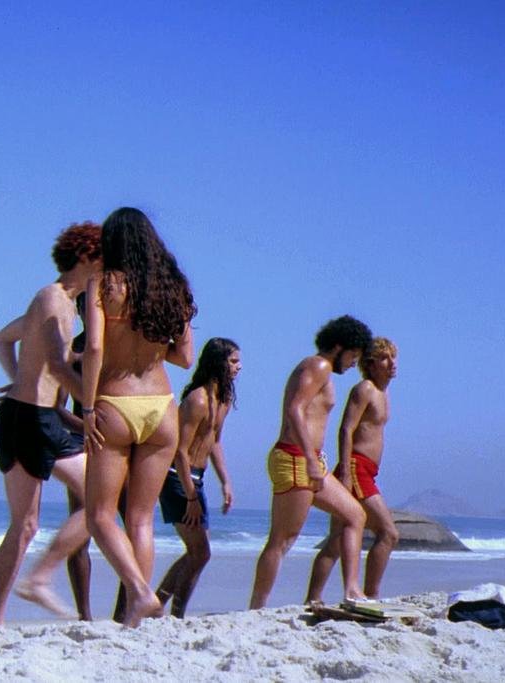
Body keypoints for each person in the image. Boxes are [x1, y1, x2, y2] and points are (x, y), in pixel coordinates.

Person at [0, 222, 102, 628]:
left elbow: (2, 339)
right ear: (85, 256)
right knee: (82, 506)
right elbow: (57, 365)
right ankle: (26, 591)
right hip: (32, 419)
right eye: (105, 259)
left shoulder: (59, 300)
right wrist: (91, 408)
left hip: (30, 416)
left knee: (38, 521)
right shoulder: (53, 298)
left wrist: (20, 378)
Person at [82, 207, 196, 628]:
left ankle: (141, 593)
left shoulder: (103, 284)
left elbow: (94, 348)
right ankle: (135, 616)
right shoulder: (172, 287)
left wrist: (88, 406)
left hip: (115, 401)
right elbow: (185, 358)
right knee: (141, 519)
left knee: (99, 515)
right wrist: (150, 345)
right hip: (162, 407)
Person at [249, 315, 372, 609]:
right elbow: (295, 409)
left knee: (355, 516)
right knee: (282, 539)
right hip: (296, 458)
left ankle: (352, 589)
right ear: (340, 346)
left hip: (309, 460)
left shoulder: (322, 370)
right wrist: (309, 458)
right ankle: (256, 607)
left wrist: (315, 460)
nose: (354, 363)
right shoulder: (318, 366)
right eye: (353, 355)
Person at [306, 337, 399, 602]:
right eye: (384, 358)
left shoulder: (384, 392)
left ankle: (313, 598)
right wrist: (346, 472)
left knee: (336, 540)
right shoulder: (365, 389)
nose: (391, 363)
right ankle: (371, 595)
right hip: (356, 467)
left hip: (367, 470)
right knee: (388, 533)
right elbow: (346, 429)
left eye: (393, 357)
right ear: (370, 364)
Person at [154, 337, 241, 618]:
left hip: (197, 477)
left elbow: (214, 442)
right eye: (233, 361)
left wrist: (225, 481)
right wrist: (191, 496)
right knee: (200, 552)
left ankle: (156, 605)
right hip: (177, 477)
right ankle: (173, 613)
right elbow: (179, 451)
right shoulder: (198, 399)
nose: (239, 367)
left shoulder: (224, 400)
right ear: (218, 363)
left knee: (197, 552)